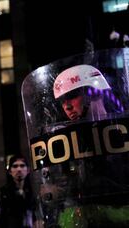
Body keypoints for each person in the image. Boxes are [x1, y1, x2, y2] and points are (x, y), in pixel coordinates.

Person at [46, 64, 129, 227]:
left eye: (73, 95)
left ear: (93, 94)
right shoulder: (69, 136)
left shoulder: (119, 130)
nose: (67, 106)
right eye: (62, 101)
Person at [0, 154, 43, 228]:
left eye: (22, 166)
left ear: (28, 170)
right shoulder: (1, 192)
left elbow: (38, 220)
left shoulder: (32, 194)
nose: (19, 169)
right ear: (10, 171)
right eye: (15, 166)